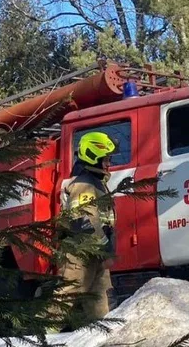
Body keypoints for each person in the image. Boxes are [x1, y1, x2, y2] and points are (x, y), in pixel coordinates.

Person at [52, 131, 118, 327]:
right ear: (93, 157)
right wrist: (105, 247)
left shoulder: (96, 183)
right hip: (80, 253)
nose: (109, 163)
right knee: (67, 296)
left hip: (94, 253)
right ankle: (40, 336)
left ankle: (101, 336)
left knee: (100, 301)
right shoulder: (83, 185)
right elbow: (84, 222)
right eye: (105, 159)